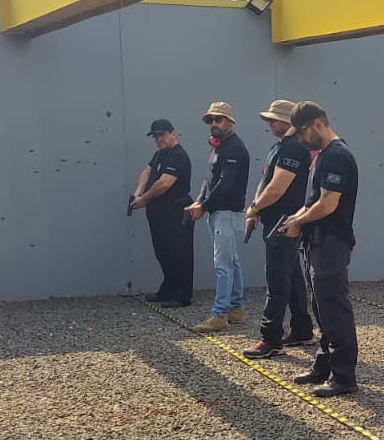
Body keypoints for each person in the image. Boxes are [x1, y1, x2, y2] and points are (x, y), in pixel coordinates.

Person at [277, 101, 358, 396]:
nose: (299, 139)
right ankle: (324, 365)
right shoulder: (323, 154)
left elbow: (328, 203)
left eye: (301, 132)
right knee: (321, 306)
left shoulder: (336, 155)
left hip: (331, 241)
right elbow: (313, 202)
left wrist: (299, 222)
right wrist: (296, 218)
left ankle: (344, 376)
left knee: (334, 307)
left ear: (318, 124)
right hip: (319, 240)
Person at [242, 99, 314, 358]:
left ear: (288, 121)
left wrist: (253, 208)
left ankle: (269, 338)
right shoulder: (283, 146)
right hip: (279, 220)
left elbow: (277, 187)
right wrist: (257, 209)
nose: (269, 123)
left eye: (273, 119)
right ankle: (302, 329)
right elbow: (267, 182)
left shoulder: (293, 149)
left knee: (276, 279)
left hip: (282, 223)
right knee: (291, 274)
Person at [186, 101, 250, 332]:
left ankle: (220, 314)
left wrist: (203, 206)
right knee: (231, 261)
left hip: (228, 213)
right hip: (219, 212)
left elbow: (225, 184)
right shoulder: (220, 147)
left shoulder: (234, 149)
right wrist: (199, 200)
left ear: (230, 122)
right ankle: (236, 309)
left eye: (219, 119)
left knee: (223, 265)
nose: (214, 123)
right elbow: (209, 179)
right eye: (211, 120)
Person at [130, 118, 194, 307]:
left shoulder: (178, 156)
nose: (159, 140)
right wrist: (139, 190)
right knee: (163, 252)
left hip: (175, 210)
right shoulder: (160, 155)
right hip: (159, 212)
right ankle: (168, 289)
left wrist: (144, 199)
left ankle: (182, 295)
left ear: (173, 133)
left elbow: (164, 184)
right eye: (156, 136)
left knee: (178, 252)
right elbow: (146, 173)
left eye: (162, 135)